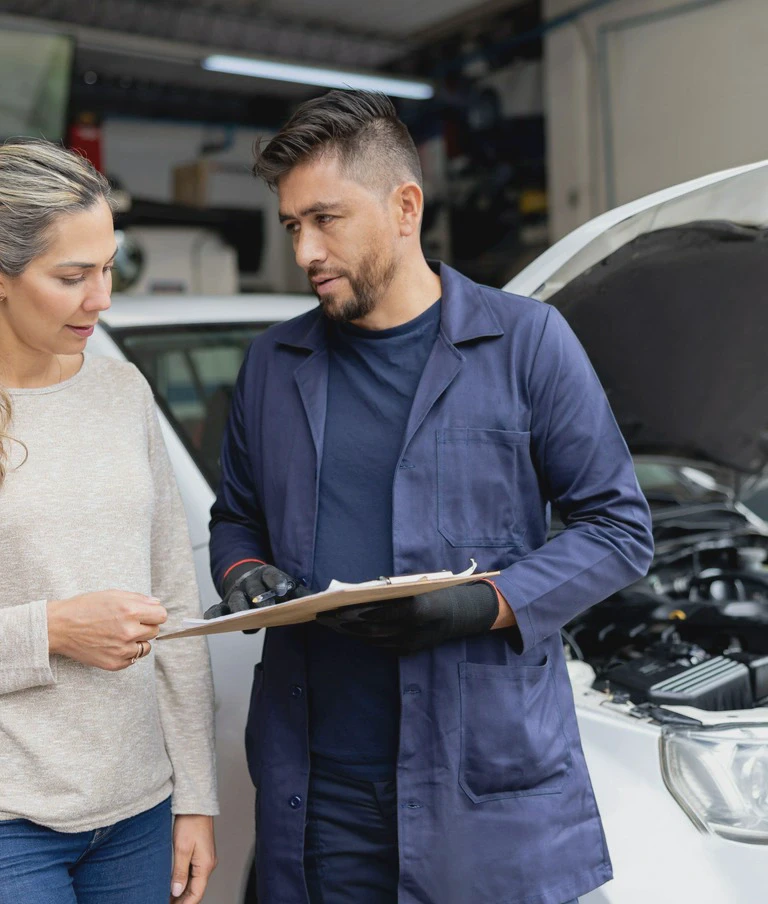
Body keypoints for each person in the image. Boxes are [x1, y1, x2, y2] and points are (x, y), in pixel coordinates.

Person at [208, 91, 654, 904]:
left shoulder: (526, 344)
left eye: (326, 219)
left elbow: (620, 528)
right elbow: (235, 514)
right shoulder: (275, 363)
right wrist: (239, 568)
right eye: (290, 226)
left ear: (405, 206)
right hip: (320, 798)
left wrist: (482, 605)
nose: (305, 249)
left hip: (479, 793)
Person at [0, 139, 218, 904]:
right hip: (10, 821)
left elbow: (176, 601)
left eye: (108, 267)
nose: (103, 298)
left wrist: (195, 794)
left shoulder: (122, 390)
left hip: (138, 808)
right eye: (72, 277)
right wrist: (52, 629)